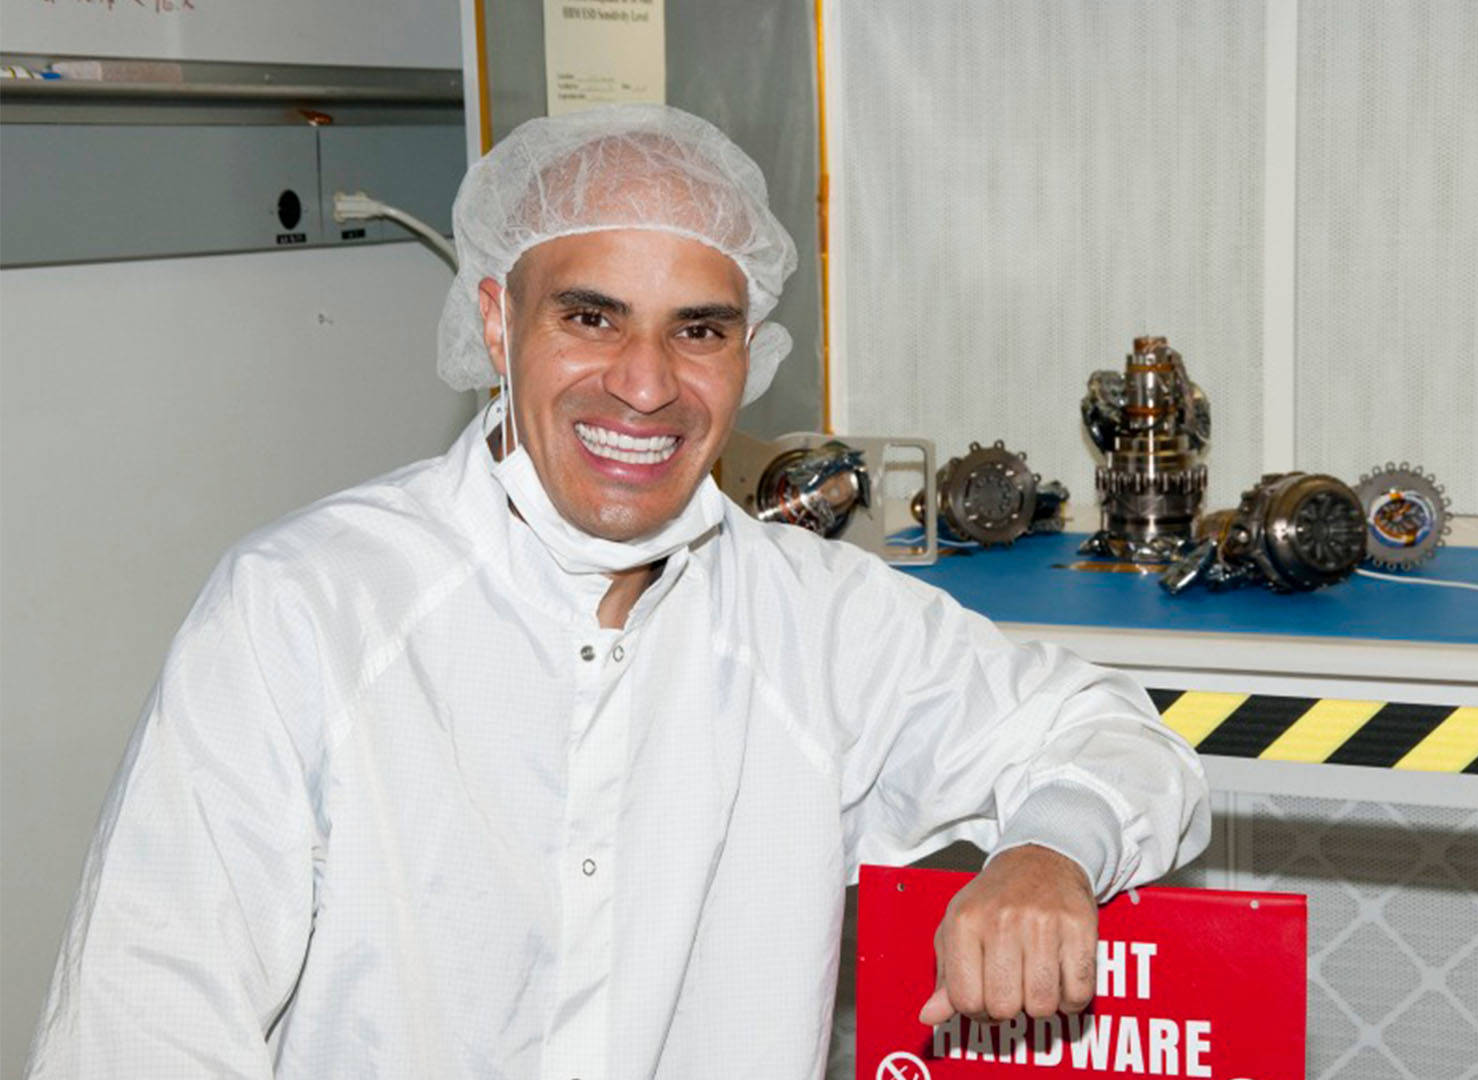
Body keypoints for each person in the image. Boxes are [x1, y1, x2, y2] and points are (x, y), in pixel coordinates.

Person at [27, 103, 1208, 1077]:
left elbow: (1114, 738)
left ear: (753, 356)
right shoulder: (307, 612)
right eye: (590, 317)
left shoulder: (813, 621)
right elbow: (142, 1025)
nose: (646, 386)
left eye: (700, 330)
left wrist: (1050, 850)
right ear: (496, 321)